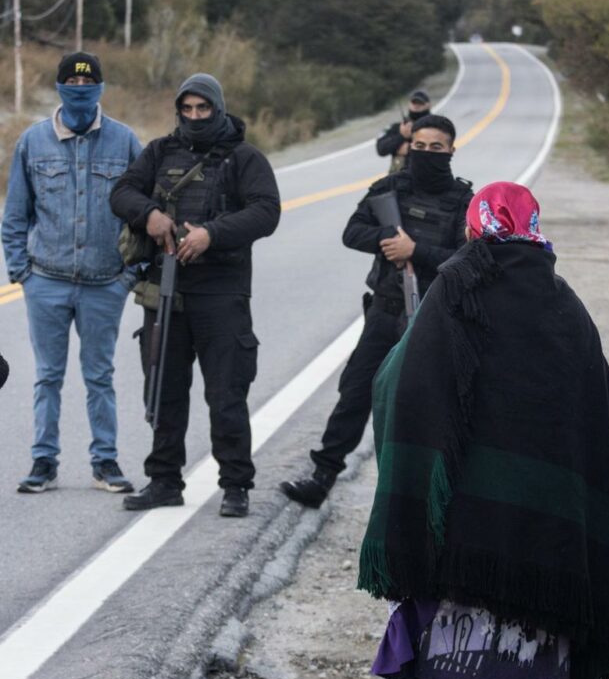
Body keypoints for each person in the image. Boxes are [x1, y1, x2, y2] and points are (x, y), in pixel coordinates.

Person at [358, 182, 609, 679]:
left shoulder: (457, 288)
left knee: (456, 631)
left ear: (475, 225)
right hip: (545, 520)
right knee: (525, 631)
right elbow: (594, 414)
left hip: (467, 515)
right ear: (534, 227)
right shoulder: (563, 303)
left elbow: (406, 384)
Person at [110, 73, 281, 517]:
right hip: (166, 288)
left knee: (226, 396)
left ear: (218, 108)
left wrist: (212, 234)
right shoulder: (159, 151)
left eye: (203, 108)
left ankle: (236, 486)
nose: (194, 116)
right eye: (186, 109)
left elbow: (266, 211)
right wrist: (148, 214)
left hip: (221, 294)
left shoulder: (244, 158)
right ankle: (164, 481)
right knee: (164, 391)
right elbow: (121, 192)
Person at [280, 114, 472, 509]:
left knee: (429, 405)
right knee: (355, 392)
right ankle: (322, 477)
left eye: (436, 147)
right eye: (419, 146)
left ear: (451, 150)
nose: (426, 153)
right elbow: (352, 232)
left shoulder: (464, 203)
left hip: (433, 320)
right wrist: (387, 237)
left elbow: (468, 261)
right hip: (384, 312)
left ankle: (437, 492)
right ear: (409, 147)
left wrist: (415, 251)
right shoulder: (389, 189)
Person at [2, 51, 141, 494]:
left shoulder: (125, 142)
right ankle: (44, 461)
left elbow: (146, 213)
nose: (80, 91)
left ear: (100, 87)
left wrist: (129, 276)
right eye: (72, 84)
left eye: (88, 84)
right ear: (59, 87)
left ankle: (105, 462)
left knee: (100, 375)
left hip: (105, 283)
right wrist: (22, 273)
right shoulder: (33, 142)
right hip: (46, 280)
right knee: (47, 375)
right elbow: (15, 215)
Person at [376, 89, 431, 173]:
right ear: (409, 104)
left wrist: (409, 149)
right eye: (414, 102)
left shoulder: (433, 126)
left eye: (420, 103)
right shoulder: (398, 127)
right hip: (399, 176)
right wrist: (401, 136)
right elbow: (381, 149)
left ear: (428, 105)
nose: (416, 105)